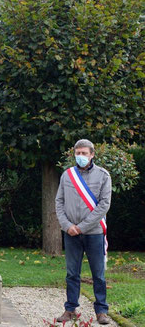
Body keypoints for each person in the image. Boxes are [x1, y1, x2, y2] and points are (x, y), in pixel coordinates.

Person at [55, 139, 112, 325]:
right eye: (77, 153)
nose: (80, 156)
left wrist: (83, 227)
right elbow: (59, 202)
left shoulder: (103, 176)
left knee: (98, 274)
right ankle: (70, 309)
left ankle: (101, 311)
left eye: (84, 153)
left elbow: (104, 205)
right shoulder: (67, 175)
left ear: (92, 154)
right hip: (71, 233)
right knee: (72, 273)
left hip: (94, 232)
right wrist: (67, 225)